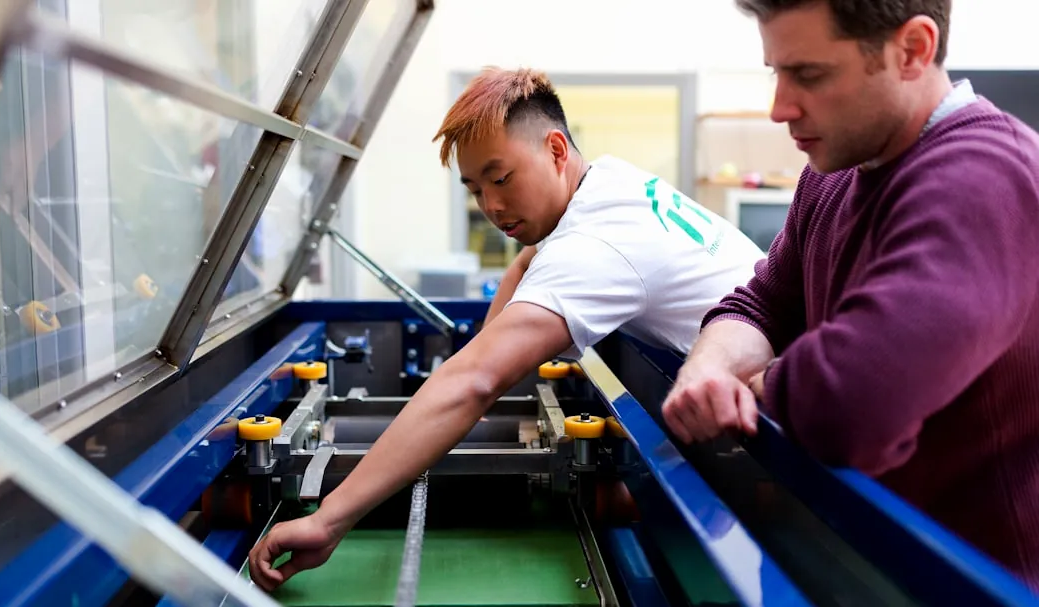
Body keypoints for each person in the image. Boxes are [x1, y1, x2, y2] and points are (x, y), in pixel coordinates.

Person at [247, 67, 765, 590]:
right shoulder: (608, 180)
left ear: (556, 150)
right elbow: (525, 275)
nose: (491, 206)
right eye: (475, 189)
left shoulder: (594, 250)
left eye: (501, 178)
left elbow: (474, 382)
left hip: (779, 428)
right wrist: (483, 358)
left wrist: (327, 518)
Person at [662, 0, 1039, 590]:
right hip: (862, 561)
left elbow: (848, 404)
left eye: (809, 75)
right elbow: (762, 304)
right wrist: (707, 370)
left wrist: (766, 377)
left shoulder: (983, 179)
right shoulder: (833, 171)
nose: (779, 107)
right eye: (776, 72)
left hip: (971, 583)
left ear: (912, 50)